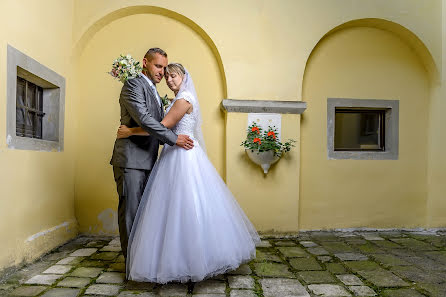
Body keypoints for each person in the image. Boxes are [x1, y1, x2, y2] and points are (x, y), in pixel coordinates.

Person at [117, 63, 260, 283]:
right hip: (173, 154)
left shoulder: (183, 99)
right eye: (166, 77)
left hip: (182, 158)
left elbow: (163, 126)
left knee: (185, 207)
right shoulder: (178, 99)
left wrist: (129, 131)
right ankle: (177, 256)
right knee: (172, 209)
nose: (170, 80)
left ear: (184, 77)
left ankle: (193, 259)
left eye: (174, 76)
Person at [110, 48, 194, 259]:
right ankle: (131, 266)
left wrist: (131, 131)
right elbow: (145, 120)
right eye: (158, 66)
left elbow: (158, 123)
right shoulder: (133, 85)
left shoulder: (155, 91)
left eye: (165, 68)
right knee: (130, 214)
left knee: (142, 215)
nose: (162, 72)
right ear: (145, 62)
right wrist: (174, 139)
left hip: (149, 159)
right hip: (131, 160)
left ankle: (142, 261)